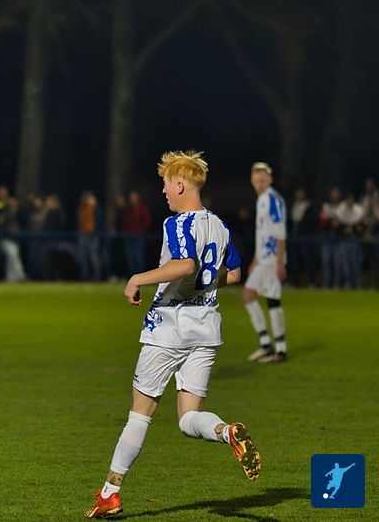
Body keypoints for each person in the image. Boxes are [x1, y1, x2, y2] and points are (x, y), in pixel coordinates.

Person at [85, 151, 260, 519]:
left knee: (140, 415)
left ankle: (110, 492)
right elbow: (235, 273)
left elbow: (185, 264)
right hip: (206, 329)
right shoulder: (219, 226)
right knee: (187, 419)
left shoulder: (177, 223)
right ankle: (227, 432)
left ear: (180, 185)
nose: (163, 191)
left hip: (169, 329)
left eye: (165, 184)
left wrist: (137, 278)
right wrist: (202, 284)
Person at [243, 163, 289, 364]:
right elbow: (262, 234)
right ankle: (267, 345)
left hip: (271, 260)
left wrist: (280, 263)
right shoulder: (262, 199)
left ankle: (280, 349)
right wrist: (255, 259)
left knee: (271, 300)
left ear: (269, 180)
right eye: (256, 181)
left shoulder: (273, 199)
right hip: (262, 260)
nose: (259, 184)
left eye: (262, 180)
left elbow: (280, 233)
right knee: (249, 296)